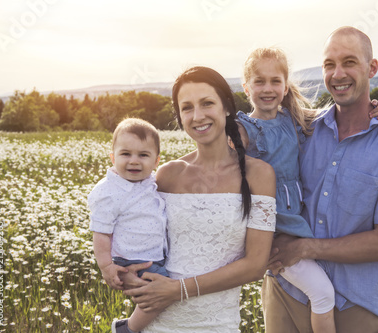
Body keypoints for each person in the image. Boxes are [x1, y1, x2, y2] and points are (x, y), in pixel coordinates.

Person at [264, 27, 378, 333]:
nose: (338, 74)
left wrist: (304, 249)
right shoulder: (304, 129)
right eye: (329, 64)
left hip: (355, 306)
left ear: (372, 68)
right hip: (288, 290)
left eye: (349, 62)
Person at [237, 47, 378, 333]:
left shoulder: (292, 120)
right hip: (272, 234)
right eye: (259, 82)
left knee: (320, 290)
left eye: (275, 81)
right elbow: (214, 160)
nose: (267, 89)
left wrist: (374, 107)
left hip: (294, 226)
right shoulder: (243, 129)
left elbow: (334, 117)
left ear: (285, 88)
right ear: (246, 87)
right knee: (322, 294)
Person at [117, 66, 277, 332]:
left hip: (218, 324)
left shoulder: (259, 175)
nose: (198, 116)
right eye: (187, 107)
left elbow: (255, 265)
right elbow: (136, 232)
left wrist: (178, 290)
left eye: (207, 103)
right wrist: (127, 275)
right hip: (156, 322)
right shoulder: (167, 174)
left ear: (226, 107)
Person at [88, 118, 169, 333]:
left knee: (160, 293)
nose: (134, 161)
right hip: (132, 258)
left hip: (152, 254)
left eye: (143, 155)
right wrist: (106, 266)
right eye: (126, 154)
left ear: (156, 161)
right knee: (162, 292)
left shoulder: (150, 181)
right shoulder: (109, 192)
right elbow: (101, 233)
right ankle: (127, 329)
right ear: (113, 158)